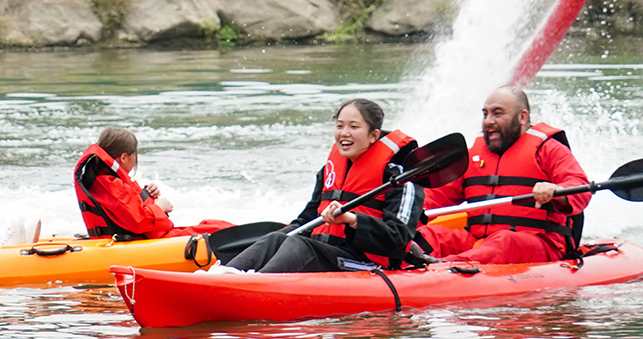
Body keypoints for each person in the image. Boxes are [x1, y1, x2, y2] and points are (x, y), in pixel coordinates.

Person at [225, 98, 424, 273]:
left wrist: (352, 220)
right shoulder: (329, 171)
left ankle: (253, 286)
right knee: (277, 238)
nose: (344, 133)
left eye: (354, 127)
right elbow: (306, 220)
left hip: (367, 263)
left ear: (373, 135)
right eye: (339, 126)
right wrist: (279, 239)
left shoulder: (400, 177)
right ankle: (223, 277)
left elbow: (398, 239)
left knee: (300, 245)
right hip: (325, 252)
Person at [418, 87, 590, 266]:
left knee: (504, 241)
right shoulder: (473, 156)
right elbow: (434, 197)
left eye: (497, 114)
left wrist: (556, 190)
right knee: (428, 235)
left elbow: (580, 186)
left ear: (522, 117)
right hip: (477, 240)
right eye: (485, 114)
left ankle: (442, 268)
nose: (488, 121)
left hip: (536, 244)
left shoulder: (549, 149)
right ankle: (404, 265)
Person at [72, 126, 229, 242]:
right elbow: (139, 222)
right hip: (139, 239)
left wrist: (148, 195)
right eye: (134, 155)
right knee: (220, 230)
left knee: (213, 224)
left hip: (140, 236)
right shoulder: (111, 185)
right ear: (124, 157)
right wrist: (159, 207)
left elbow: (131, 210)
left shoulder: (106, 180)